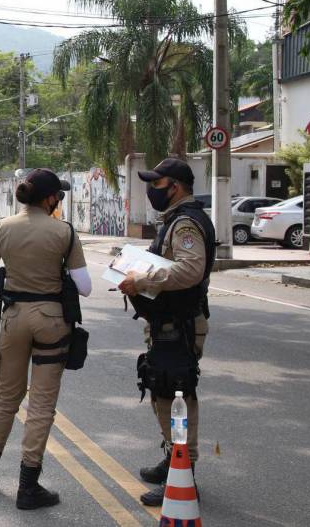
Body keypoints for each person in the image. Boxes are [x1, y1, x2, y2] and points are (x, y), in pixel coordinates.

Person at [0, 169, 92, 510]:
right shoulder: (64, 232)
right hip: (52, 321)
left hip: (12, 318)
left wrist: (18, 283)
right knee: (41, 405)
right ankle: (28, 487)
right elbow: (84, 286)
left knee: (5, 398)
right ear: (51, 198)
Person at [117, 157, 214, 507]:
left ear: (175, 186)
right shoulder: (174, 220)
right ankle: (172, 456)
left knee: (176, 400)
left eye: (156, 184)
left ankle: (183, 473)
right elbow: (172, 262)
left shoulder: (186, 223)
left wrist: (141, 279)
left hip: (180, 324)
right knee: (162, 391)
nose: (151, 190)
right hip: (168, 323)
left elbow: (189, 270)